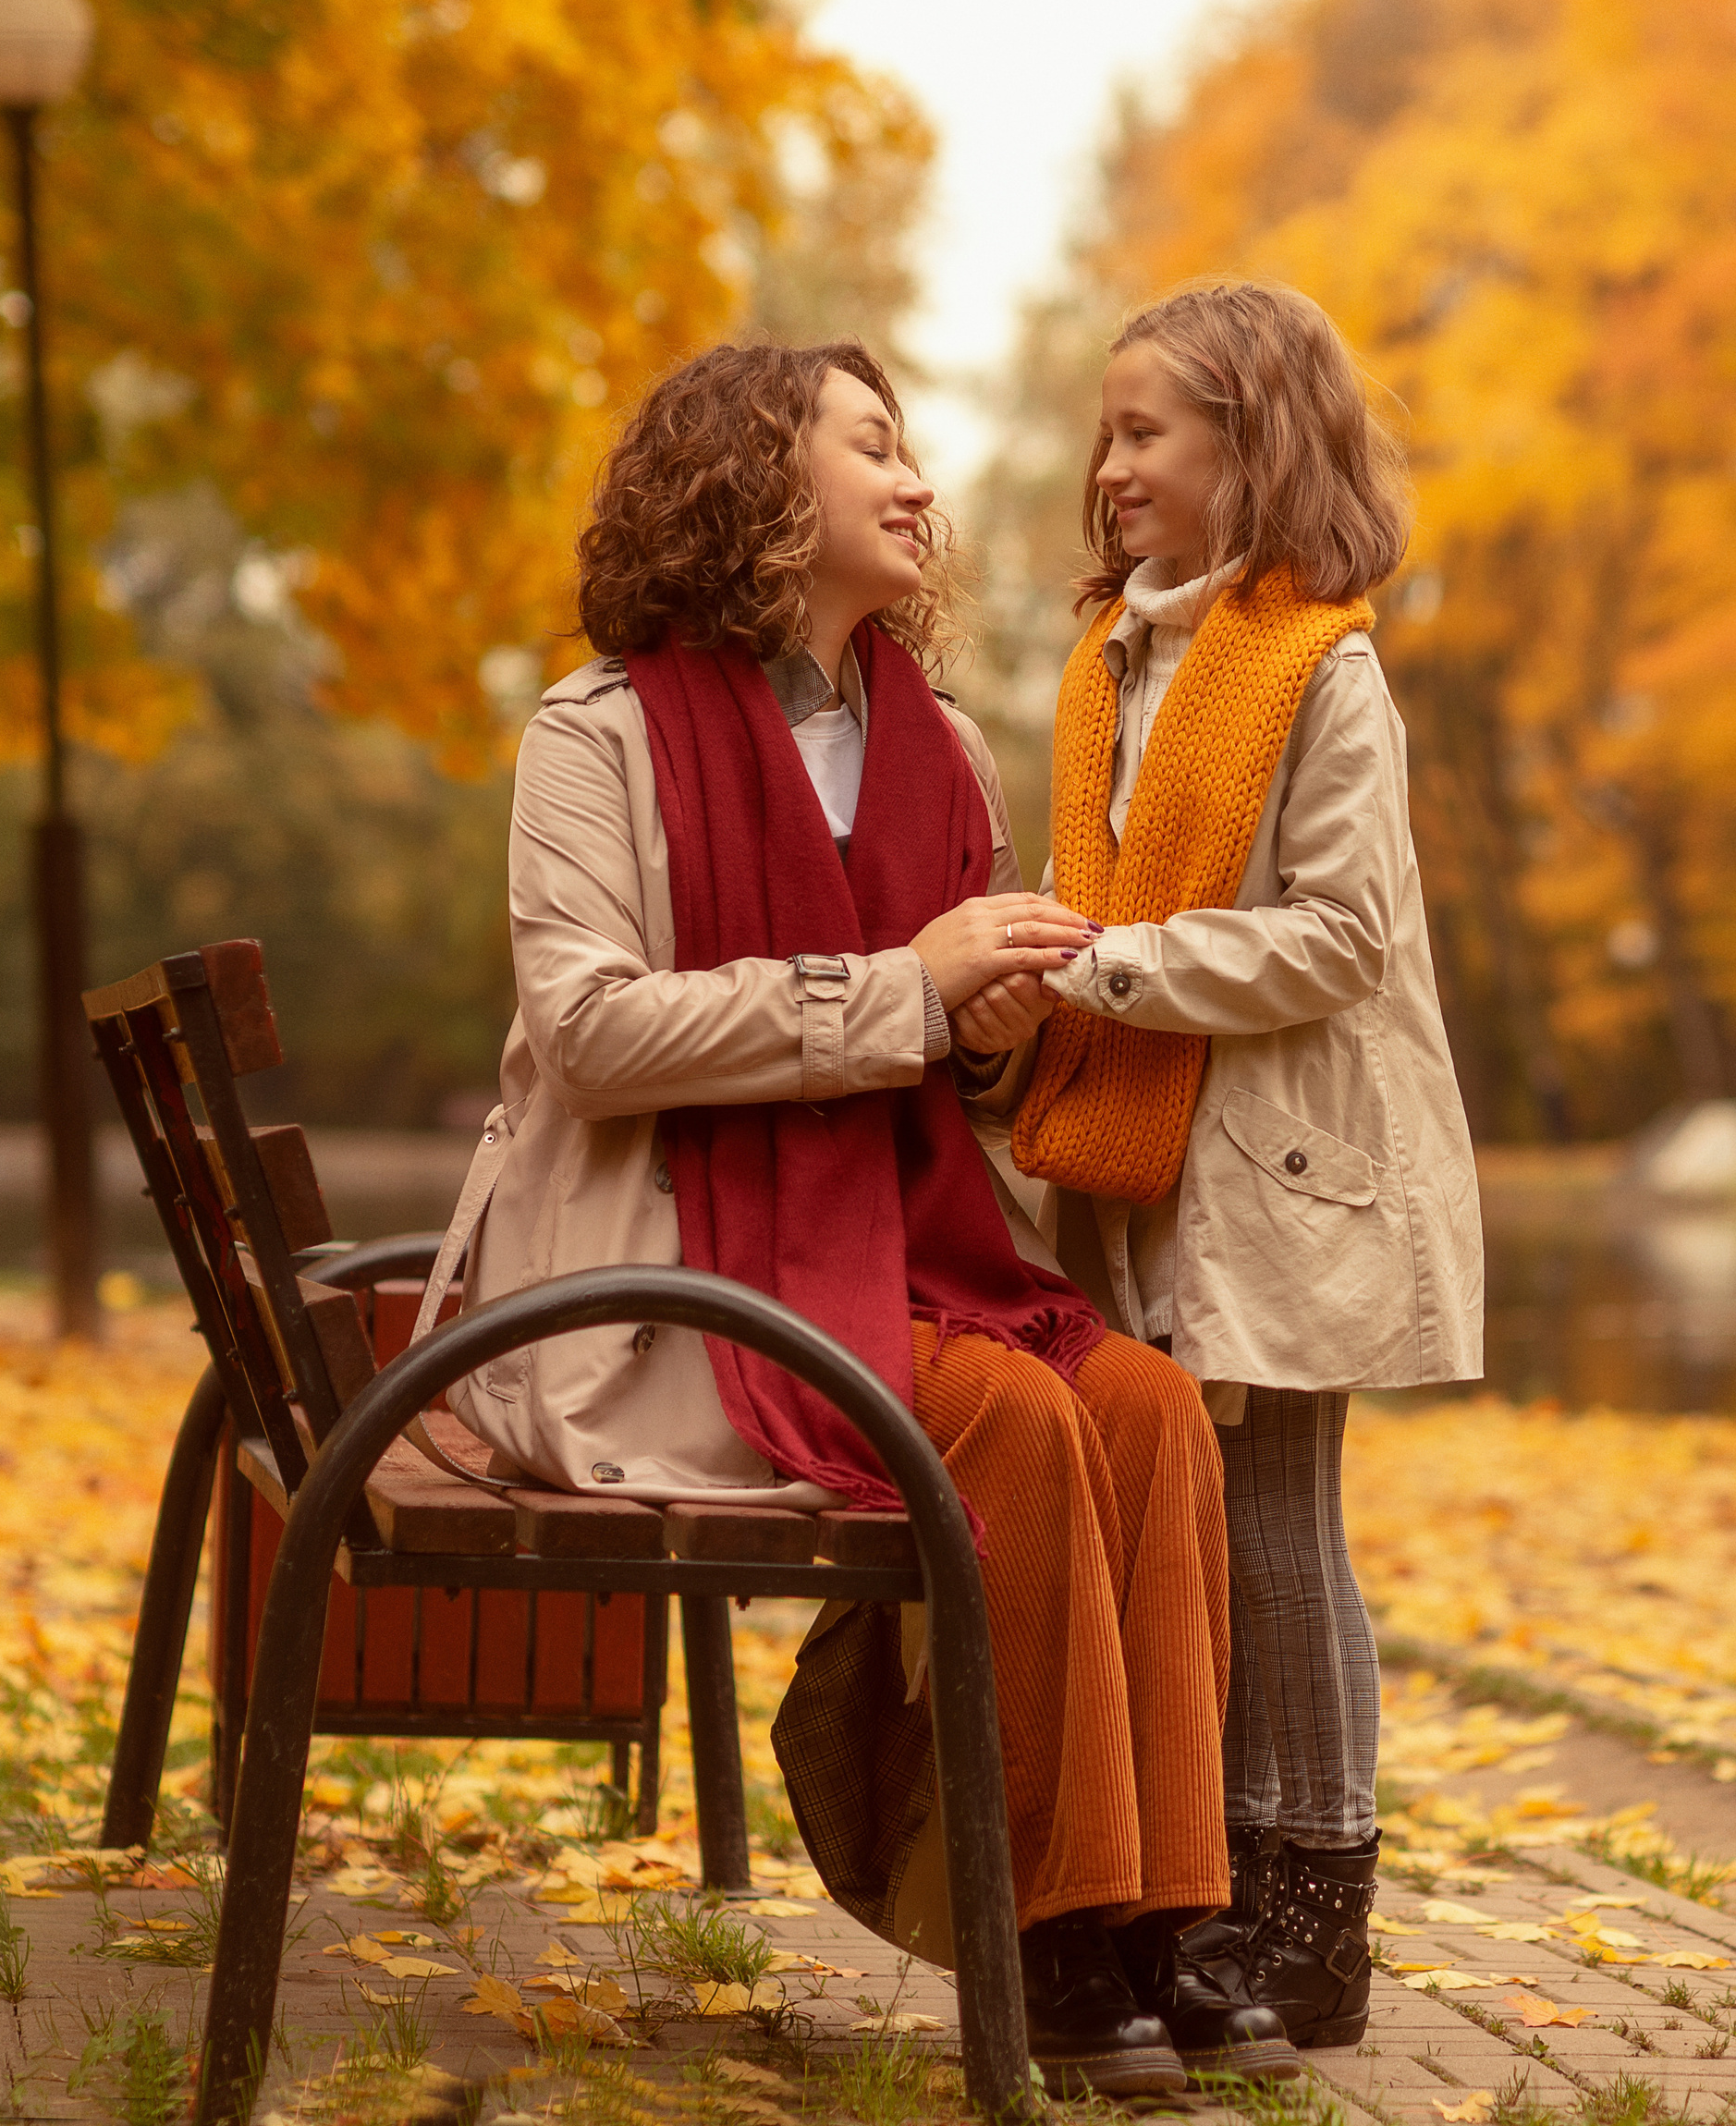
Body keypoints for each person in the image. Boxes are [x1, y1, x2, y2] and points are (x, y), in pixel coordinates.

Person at [412, 339, 1297, 2095]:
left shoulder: (942, 748)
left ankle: (1164, 1912)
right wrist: (901, 987)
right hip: (669, 1281)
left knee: (1145, 1407)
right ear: (757, 484)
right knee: (1025, 1426)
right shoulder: (595, 739)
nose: (918, 484)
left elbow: (935, 1074)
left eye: (913, 451)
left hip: (895, 1250)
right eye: (873, 447)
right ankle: (1050, 1931)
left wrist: (982, 1030)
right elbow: (591, 1035)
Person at [955, 281, 1484, 2051]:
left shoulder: (1323, 667)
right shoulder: (1116, 666)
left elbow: (1338, 936)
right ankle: (1209, 1902)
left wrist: (1100, 964)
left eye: (1144, 432)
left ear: (1252, 452)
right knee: (1199, 1528)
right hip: (1151, 1153)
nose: (1108, 467)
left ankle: (1313, 1921)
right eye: (1104, 433)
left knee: (1277, 1530)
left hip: (1292, 1161)